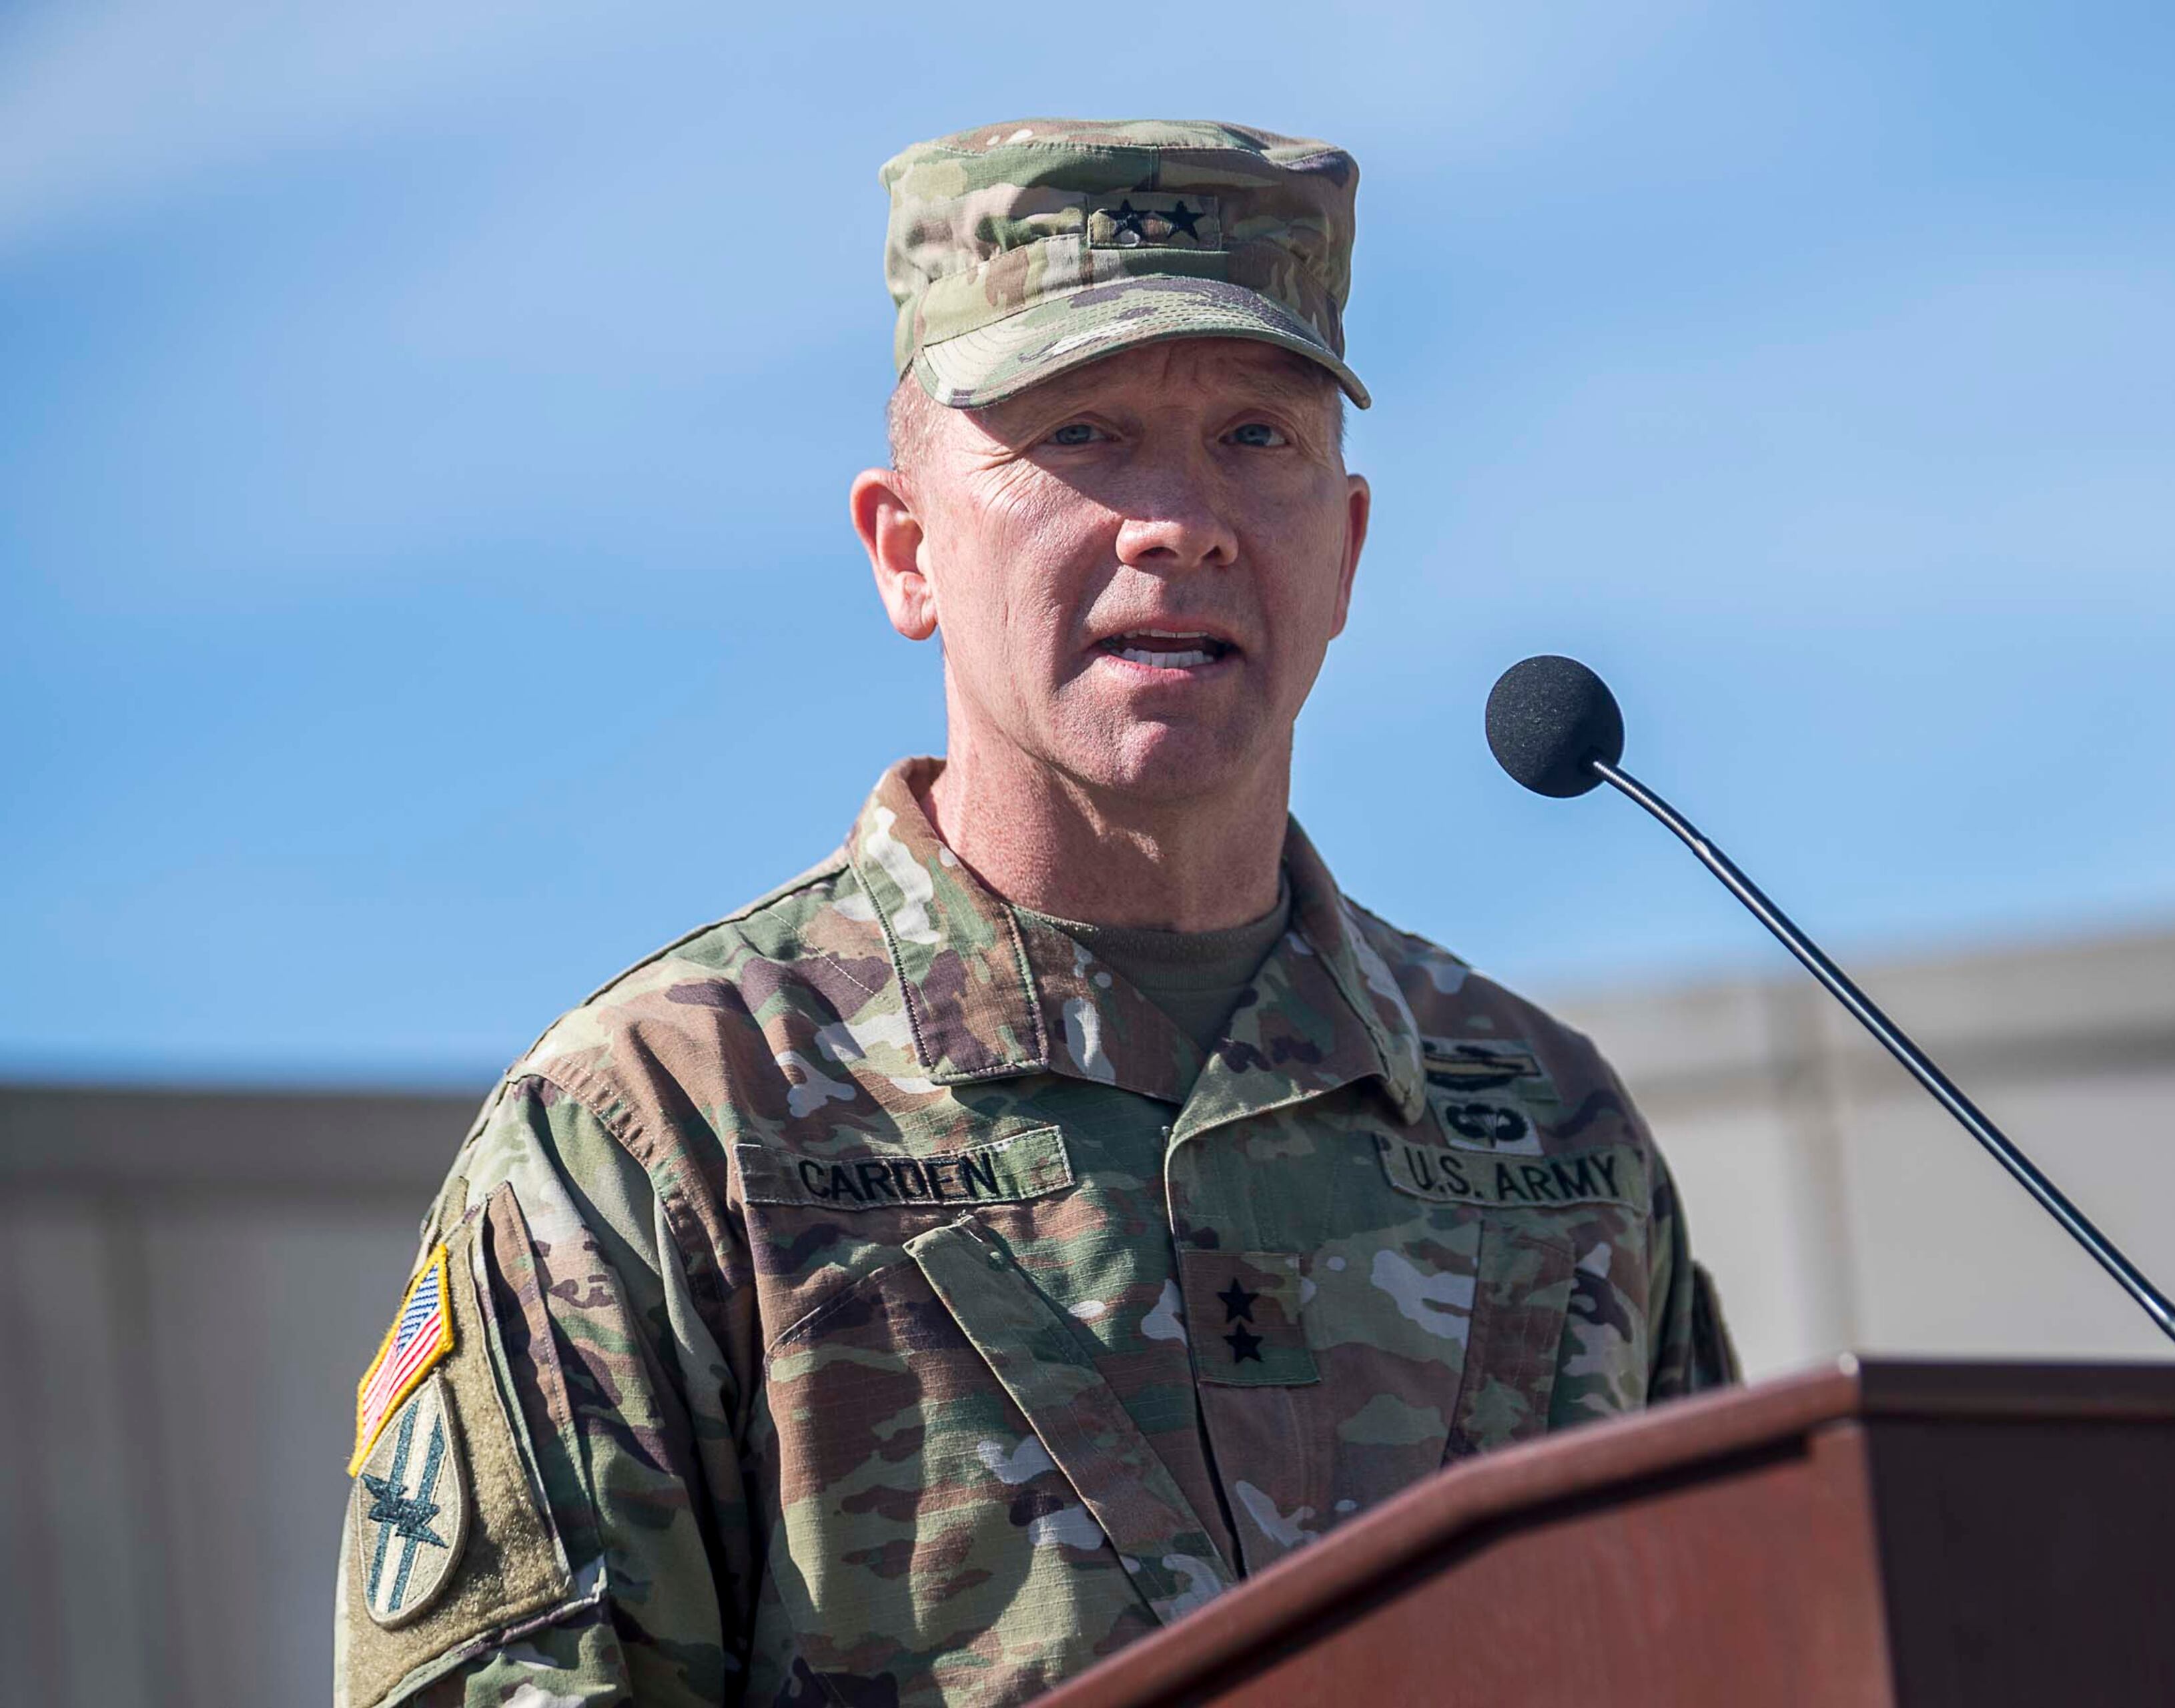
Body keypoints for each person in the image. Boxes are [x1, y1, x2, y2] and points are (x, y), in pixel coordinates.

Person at [333, 116, 1738, 1708]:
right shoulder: (663, 1126)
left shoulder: (1549, 1133)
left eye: (1257, 439)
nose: (1180, 519)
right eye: (1081, 433)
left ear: (1345, 552)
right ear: (906, 547)